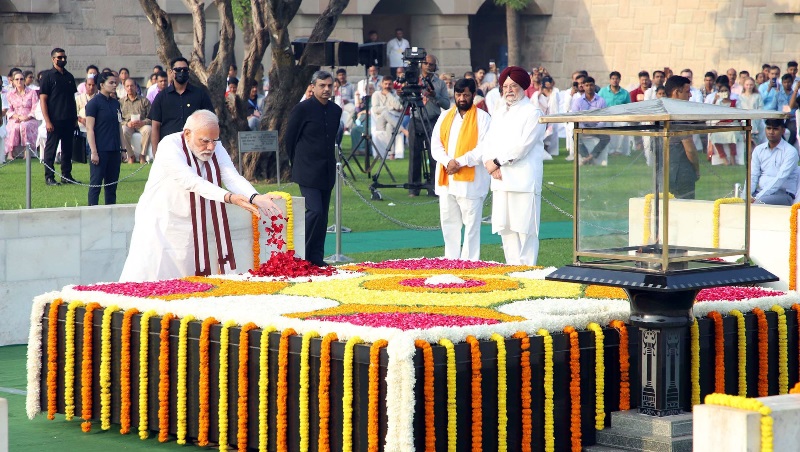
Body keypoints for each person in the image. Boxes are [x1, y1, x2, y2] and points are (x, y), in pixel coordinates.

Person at [119, 110, 283, 282]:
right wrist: (230, 197)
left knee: (189, 281)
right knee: (150, 277)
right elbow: (191, 181)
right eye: (205, 141)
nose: (211, 147)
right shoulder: (169, 145)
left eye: (214, 141)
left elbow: (231, 176)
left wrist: (255, 197)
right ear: (188, 134)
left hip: (191, 224)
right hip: (160, 222)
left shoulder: (215, 146)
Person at [480, 66, 547, 265]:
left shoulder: (533, 112)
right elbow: (488, 141)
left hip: (524, 180)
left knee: (525, 228)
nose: (509, 90)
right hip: (500, 179)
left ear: (523, 87)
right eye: (506, 86)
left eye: (514, 86)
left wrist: (497, 162)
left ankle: (527, 270)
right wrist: (489, 163)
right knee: (505, 227)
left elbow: (522, 146)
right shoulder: (499, 112)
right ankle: (511, 266)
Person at [285, 71, 342, 267]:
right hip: (306, 170)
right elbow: (289, 139)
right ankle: (303, 256)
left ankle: (316, 258)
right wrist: (297, 163)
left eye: (329, 85)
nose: (326, 89)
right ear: (312, 86)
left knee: (323, 216)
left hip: (327, 171)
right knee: (315, 211)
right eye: (322, 85)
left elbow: (333, 138)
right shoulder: (302, 109)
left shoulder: (336, 111)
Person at [430, 78, 492, 260]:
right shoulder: (445, 116)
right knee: (449, 223)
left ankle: (470, 262)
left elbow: (483, 148)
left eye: (466, 94)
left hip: (471, 182)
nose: (462, 98)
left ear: (474, 95)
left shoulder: (483, 118)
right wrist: (448, 161)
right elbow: (436, 145)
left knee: (471, 225)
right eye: (458, 94)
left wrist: (459, 162)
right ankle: (451, 259)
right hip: (447, 179)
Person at [148, 57, 214, 158]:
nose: (181, 72)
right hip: (170, 148)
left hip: (195, 148)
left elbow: (210, 121)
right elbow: (155, 126)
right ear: (171, 72)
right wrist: (155, 152)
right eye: (178, 70)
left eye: (185, 70)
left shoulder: (200, 95)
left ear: (189, 72)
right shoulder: (161, 97)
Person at [408, 53, 450, 196]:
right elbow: (405, 101)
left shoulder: (440, 83)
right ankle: (414, 188)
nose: (428, 66)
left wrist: (434, 96)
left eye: (431, 64)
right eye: (426, 63)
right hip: (416, 118)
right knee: (414, 154)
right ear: (421, 64)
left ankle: (433, 187)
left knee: (435, 154)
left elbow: (446, 104)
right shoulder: (413, 80)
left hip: (433, 120)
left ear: (435, 66)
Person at [39, 47, 80, 186]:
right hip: (55, 119)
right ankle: (49, 177)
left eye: (64, 57)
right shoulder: (47, 76)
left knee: (67, 149)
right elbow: (43, 100)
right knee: (51, 149)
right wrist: (47, 121)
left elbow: (72, 98)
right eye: (59, 57)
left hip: (68, 118)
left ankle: (66, 175)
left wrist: (75, 118)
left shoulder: (69, 76)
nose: (62, 60)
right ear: (53, 59)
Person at [86, 72, 122, 206]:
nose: (114, 85)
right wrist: (94, 152)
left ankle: (110, 213)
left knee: (111, 187)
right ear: (102, 85)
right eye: (111, 83)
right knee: (96, 185)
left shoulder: (115, 104)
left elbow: (119, 127)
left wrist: (123, 149)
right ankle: (92, 213)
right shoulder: (93, 104)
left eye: (115, 83)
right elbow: (90, 129)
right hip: (100, 150)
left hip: (114, 149)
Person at [664, 75, 700, 199]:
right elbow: (689, 148)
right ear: (676, 92)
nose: (690, 95)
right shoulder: (679, 115)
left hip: (661, 172)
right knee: (685, 211)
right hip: (682, 173)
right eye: (687, 91)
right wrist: (696, 169)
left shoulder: (659, 112)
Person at [751, 118, 799, 206]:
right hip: (761, 192)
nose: (771, 132)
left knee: (758, 203)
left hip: (783, 195)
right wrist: (747, 195)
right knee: (739, 203)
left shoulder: (790, 151)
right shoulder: (759, 150)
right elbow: (753, 175)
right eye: (768, 128)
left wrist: (757, 197)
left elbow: (780, 178)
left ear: (783, 130)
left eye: (775, 129)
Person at [571, 76, 610, 166]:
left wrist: (596, 128)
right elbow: (576, 117)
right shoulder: (578, 101)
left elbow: (604, 118)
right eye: (587, 85)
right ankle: (586, 157)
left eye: (591, 85)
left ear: (594, 86)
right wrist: (584, 129)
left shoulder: (601, 101)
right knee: (575, 136)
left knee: (606, 137)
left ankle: (590, 157)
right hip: (583, 128)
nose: (589, 87)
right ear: (583, 87)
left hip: (598, 128)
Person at [4, 71, 39, 160]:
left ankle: (26, 152)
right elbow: (9, 110)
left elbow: (35, 107)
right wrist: (18, 117)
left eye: (21, 79)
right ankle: (10, 153)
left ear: (24, 80)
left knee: (24, 126)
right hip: (15, 118)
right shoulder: (10, 94)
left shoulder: (32, 92)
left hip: (29, 118)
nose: (19, 81)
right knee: (14, 127)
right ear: (13, 81)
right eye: (17, 79)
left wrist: (27, 117)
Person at [120, 78, 152, 164]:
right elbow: (119, 119)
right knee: (123, 130)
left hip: (141, 124)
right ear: (125, 88)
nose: (130, 88)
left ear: (136, 87)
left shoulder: (144, 101)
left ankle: (142, 155)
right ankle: (131, 156)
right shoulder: (121, 102)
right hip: (128, 125)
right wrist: (127, 123)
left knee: (148, 129)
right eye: (127, 86)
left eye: (132, 86)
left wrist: (144, 122)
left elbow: (151, 117)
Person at [739, 77, 765, 146]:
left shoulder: (757, 96)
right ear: (744, 85)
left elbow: (760, 108)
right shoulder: (740, 97)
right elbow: (739, 108)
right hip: (744, 119)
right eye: (747, 85)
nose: (749, 87)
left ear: (754, 85)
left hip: (756, 119)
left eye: (751, 85)